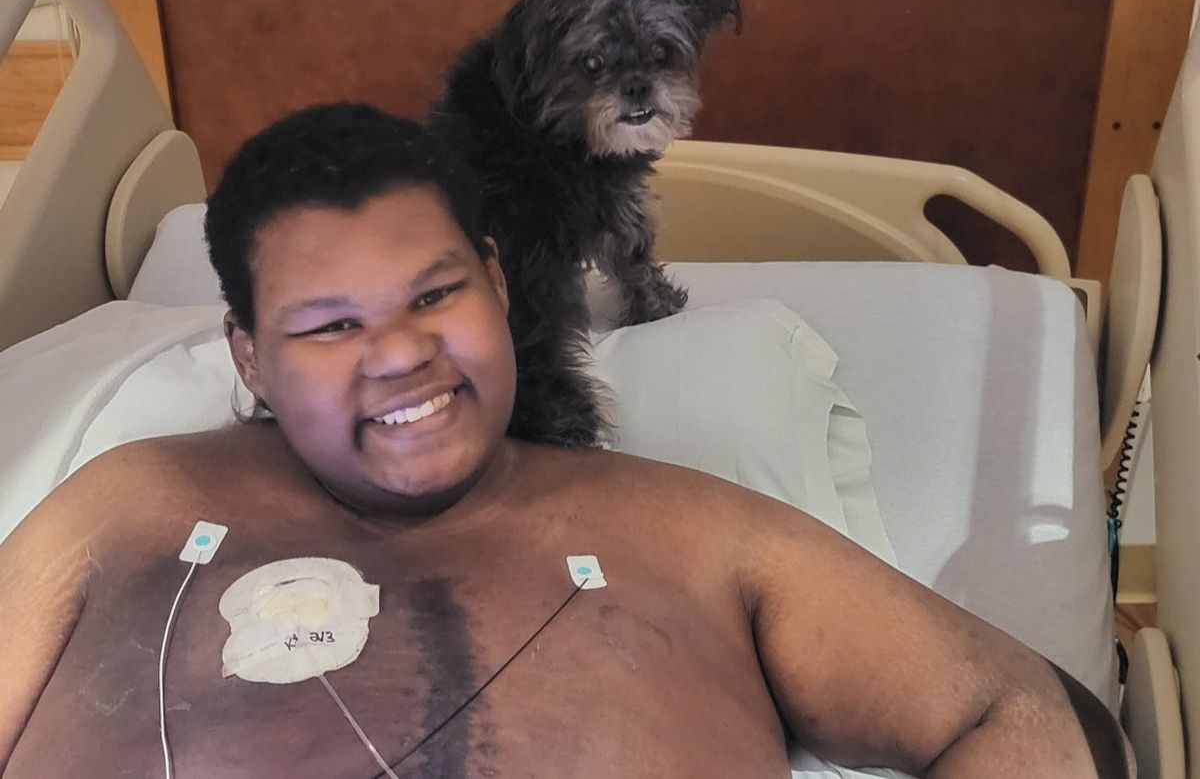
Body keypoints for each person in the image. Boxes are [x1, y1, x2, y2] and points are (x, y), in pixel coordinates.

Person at [0, 105, 1127, 778]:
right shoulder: (126, 508)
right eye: (331, 326)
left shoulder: (688, 531)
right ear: (248, 356)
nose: (399, 354)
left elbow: (1019, 710)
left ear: (497, 286)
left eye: (434, 295)